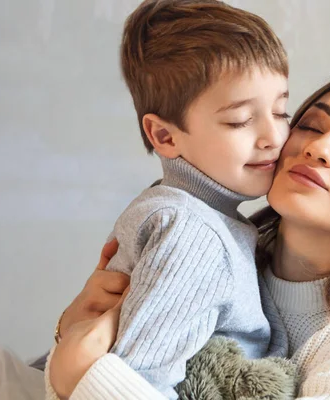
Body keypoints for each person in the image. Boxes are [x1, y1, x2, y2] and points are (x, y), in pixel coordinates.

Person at [50, 71, 330, 400]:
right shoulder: (196, 257)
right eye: (310, 125)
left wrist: (86, 376)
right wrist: (74, 333)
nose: (317, 148)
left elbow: (84, 380)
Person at [45, 0, 292, 398]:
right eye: (240, 120)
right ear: (165, 136)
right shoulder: (193, 233)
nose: (273, 137)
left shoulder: (174, 206)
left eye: (281, 111)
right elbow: (137, 382)